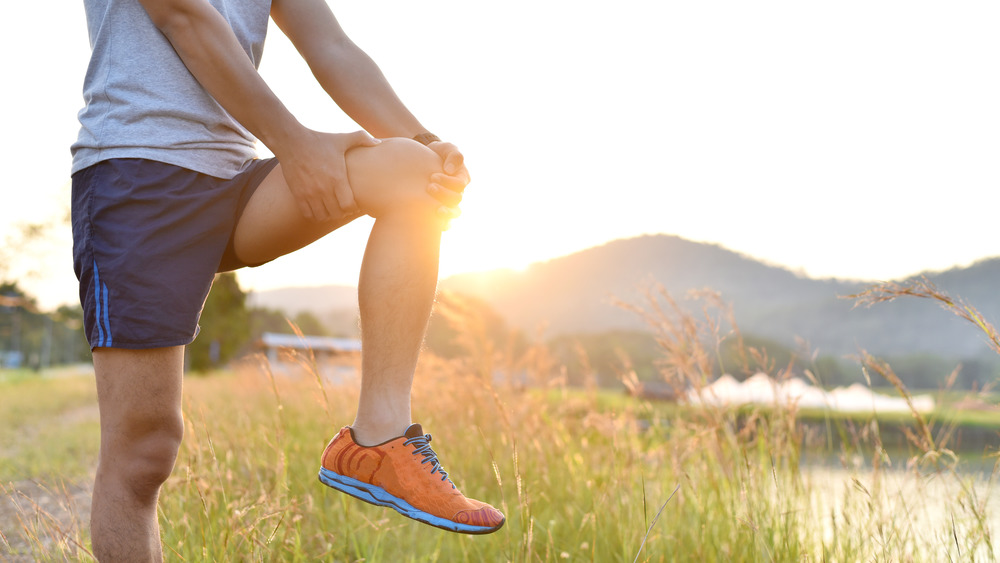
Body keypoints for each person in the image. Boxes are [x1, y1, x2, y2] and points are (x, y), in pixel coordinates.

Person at [70, 0, 505, 559]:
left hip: (236, 179)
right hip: (137, 175)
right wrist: (297, 146)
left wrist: (428, 143)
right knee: (145, 450)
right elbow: (181, 15)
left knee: (412, 174)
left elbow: (331, 46)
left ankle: (379, 435)